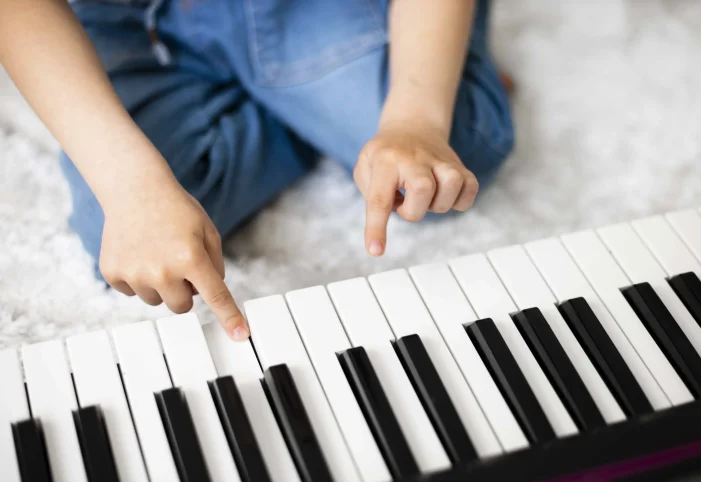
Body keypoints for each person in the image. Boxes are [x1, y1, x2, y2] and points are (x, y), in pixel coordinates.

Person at [0, 0, 514, 341]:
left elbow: (422, 135)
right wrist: (131, 184)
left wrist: (414, 119)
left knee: (440, 165)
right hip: (127, 18)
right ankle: (304, 110)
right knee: (128, 242)